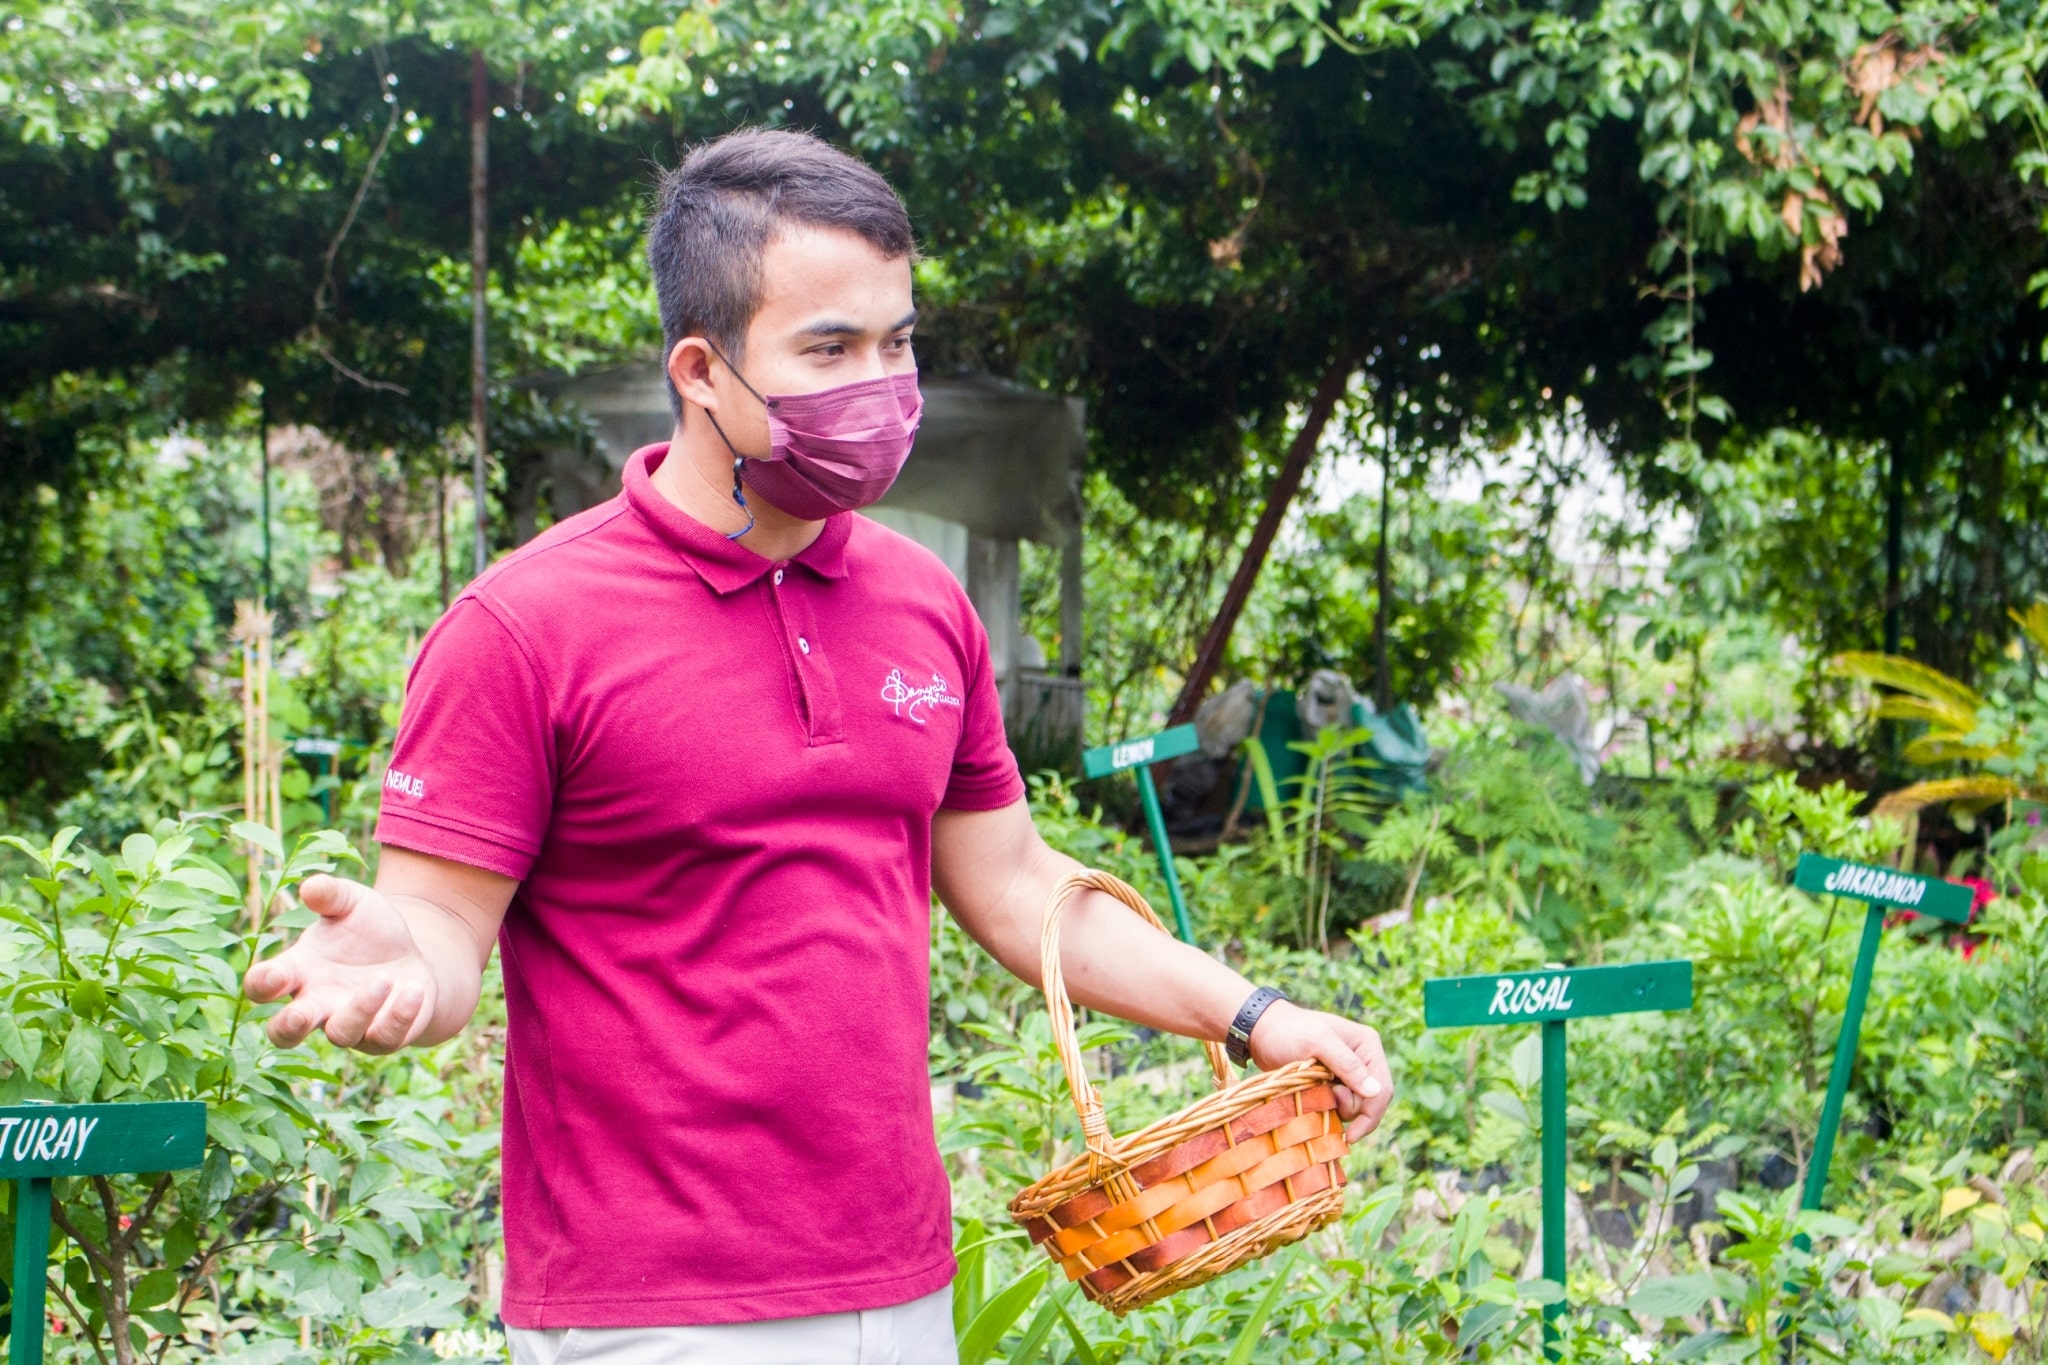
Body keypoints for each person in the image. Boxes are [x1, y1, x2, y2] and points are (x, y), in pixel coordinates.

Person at [242, 127, 1393, 1365]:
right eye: (828, 349)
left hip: (896, 1280)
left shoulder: (919, 603)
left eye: (896, 342)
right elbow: (442, 929)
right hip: (652, 1315)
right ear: (701, 368)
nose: (881, 385)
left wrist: (1251, 1014)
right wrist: (395, 967)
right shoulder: (525, 628)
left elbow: (1014, 886)